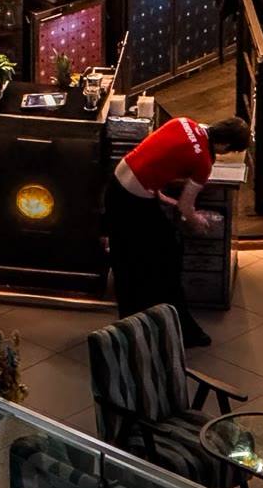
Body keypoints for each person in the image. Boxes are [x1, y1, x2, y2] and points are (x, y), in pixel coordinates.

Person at [105, 112, 250, 346]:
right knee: (167, 259)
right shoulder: (203, 162)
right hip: (133, 201)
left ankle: (131, 324)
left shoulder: (182, 122)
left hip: (117, 185)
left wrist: (161, 197)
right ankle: (179, 329)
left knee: (127, 260)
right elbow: (185, 207)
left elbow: (156, 157)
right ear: (225, 145)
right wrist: (198, 222)